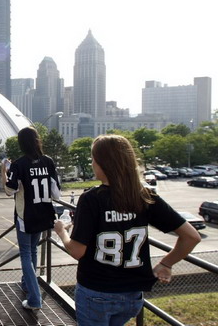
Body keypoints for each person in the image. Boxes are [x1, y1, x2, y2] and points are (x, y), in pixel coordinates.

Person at [54, 134, 201, 325]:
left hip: (96, 292)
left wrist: (61, 232)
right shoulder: (145, 196)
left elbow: (76, 251)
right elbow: (191, 237)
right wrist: (166, 263)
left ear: (102, 163)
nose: (92, 164)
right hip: (132, 296)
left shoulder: (91, 198)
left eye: (93, 159)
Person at [1, 126, 61, 311]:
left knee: (26, 254)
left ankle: (35, 299)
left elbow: (9, 190)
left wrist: (3, 171)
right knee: (33, 251)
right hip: (44, 215)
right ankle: (28, 285)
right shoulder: (48, 161)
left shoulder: (19, 164)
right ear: (37, 140)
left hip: (25, 217)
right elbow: (56, 194)